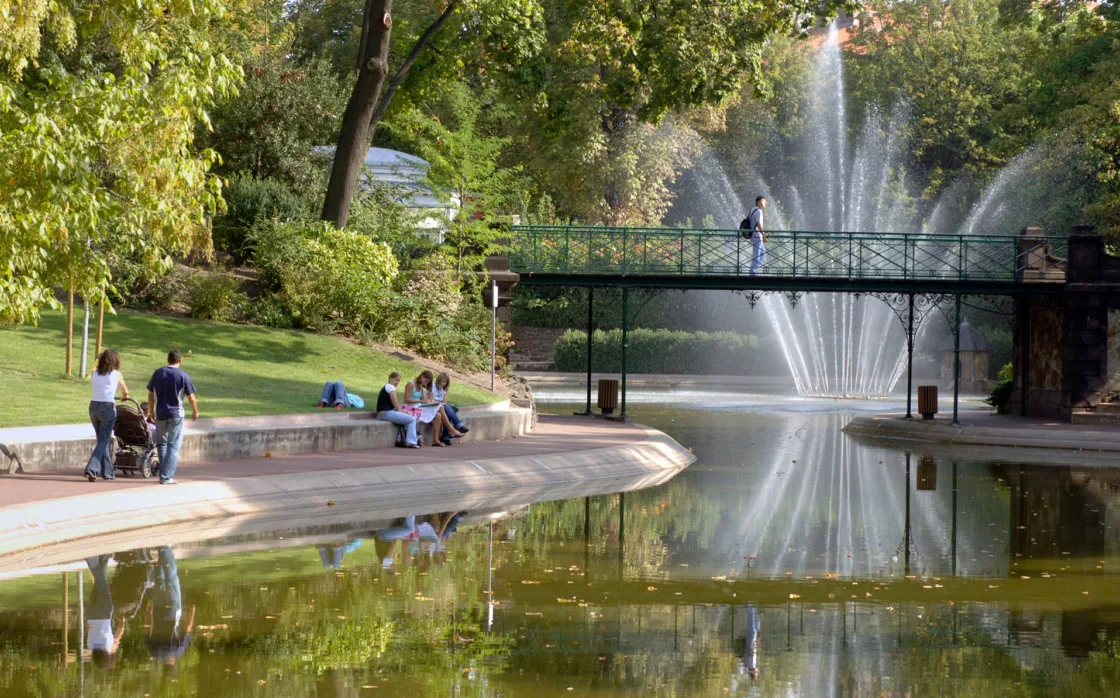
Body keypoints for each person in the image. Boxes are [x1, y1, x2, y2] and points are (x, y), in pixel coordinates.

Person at [146, 350, 198, 485]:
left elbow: (151, 394)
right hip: (176, 414)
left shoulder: (158, 373)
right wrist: (195, 411)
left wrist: (151, 411)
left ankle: (164, 473)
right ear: (180, 360)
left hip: (160, 413)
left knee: (162, 444)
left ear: (168, 359)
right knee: (173, 445)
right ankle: (166, 476)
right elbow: (191, 397)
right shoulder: (183, 375)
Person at [86, 349, 129, 482]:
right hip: (107, 407)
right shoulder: (116, 374)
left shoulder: (95, 373)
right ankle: (91, 468)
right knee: (104, 440)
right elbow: (125, 392)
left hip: (93, 406)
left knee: (102, 440)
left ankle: (108, 472)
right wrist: (124, 397)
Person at [147, 546, 195, 665]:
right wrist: (148, 612)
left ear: (173, 663)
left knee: (171, 579)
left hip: (172, 612)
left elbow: (187, 630)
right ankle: (160, 552)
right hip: (157, 611)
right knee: (160, 581)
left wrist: (192, 613)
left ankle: (164, 549)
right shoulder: (154, 652)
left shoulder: (177, 651)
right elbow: (147, 630)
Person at [403, 370, 462, 447]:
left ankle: (435, 440)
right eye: (425, 380)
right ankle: (450, 429)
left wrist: (429, 401)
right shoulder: (411, 384)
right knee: (440, 406)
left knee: (438, 415)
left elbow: (423, 400)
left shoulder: (421, 387)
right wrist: (421, 401)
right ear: (421, 376)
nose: (425, 383)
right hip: (409, 408)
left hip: (418, 407)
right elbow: (406, 399)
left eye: (428, 382)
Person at [86, 553, 126, 667]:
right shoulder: (90, 646)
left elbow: (120, 631)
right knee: (99, 583)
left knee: (100, 581)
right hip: (91, 613)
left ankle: (91, 559)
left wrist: (121, 622)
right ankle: (104, 558)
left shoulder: (109, 646)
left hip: (104, 612)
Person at [376, 372, 421, 448]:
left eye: (399, 380)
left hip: (386, 412)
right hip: (385, 413)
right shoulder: (390, 387)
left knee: (405, 418)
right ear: (390, 378)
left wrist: (403, 412)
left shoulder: (387, 387)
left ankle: (399, 438)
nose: (397, 382)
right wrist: (402, 412)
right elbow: (396, 404)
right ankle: (410, 442)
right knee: (412, 420)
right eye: (396, 380)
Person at [432, 373, 469, 443]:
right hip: (432, 407)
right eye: (441, 381)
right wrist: (440, 402)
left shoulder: (443, 390)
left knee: (449, 409)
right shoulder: (432, 387)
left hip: (441, 407)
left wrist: (445, 394)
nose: (442, 383)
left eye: (444, 382)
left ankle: (446, 436)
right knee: (450, 409)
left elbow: (444, 402)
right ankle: (457, 427)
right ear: (438, 380)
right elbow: (431, 400)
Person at [746, 196, 767, 276]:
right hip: (757, 235)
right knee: (757, 254)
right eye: (763, 201)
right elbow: (758, 224)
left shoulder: (753, 209)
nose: (764, 203)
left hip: (754, 235)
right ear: (758, 202)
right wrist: (763, 234)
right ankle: (753, 272)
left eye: (765, 202)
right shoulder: (758, 211)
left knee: (762, 252)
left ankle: (754, 270)